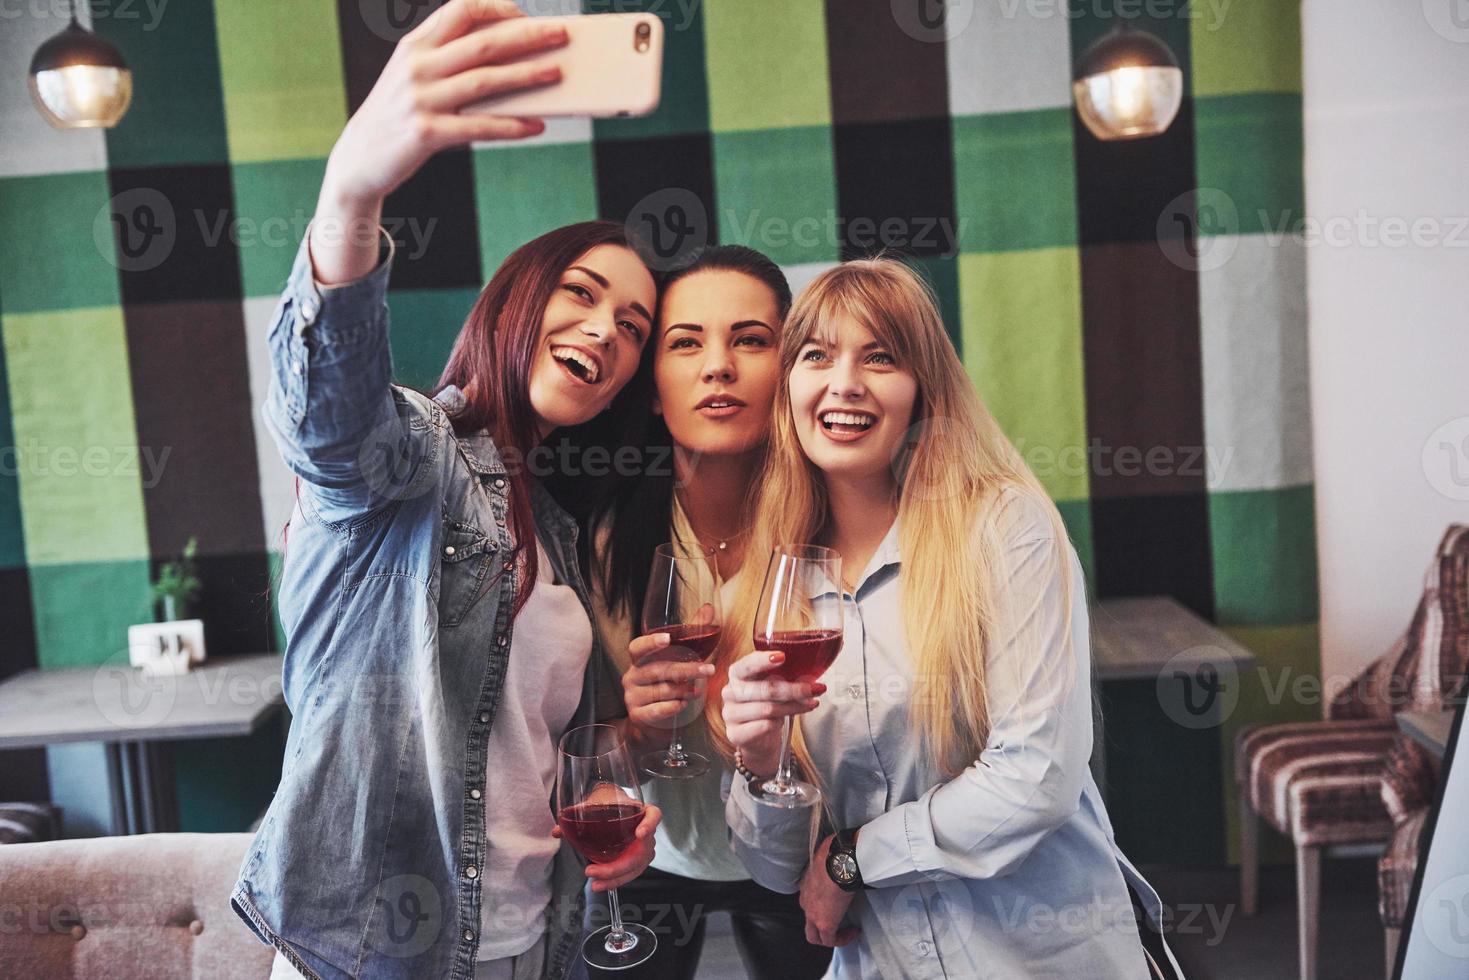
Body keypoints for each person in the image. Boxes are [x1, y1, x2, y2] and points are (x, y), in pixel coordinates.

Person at [229, 4, 662, 978]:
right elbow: (323, 417)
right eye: (583, 293)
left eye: (632, 325)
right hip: (373, 954)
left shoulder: (551, 524)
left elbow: (505, 755)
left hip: (519, 945)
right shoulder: (414, 459)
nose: (605, 332)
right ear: (518, 297)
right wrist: (350, 195)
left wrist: (600, 814)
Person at [716, 258, 1185, 979]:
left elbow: (1037, 774)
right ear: (789, 389)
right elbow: (779, 873)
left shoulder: (1002, 526)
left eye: (880, 357)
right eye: (817, 356)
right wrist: (758, 761)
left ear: (922, 391)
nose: (844, 383)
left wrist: (851, 859)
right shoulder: (768, 586)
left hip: (1038, 957)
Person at [578, 247, 833, 979]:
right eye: (685, 343)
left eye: (750, 340)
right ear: (653, 387)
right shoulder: (598, 543)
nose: (717, 366)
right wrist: (638, 729)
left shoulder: (836, 528)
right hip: (655, 859)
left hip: (810, 855)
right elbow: (578, 759)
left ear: (790, 370)